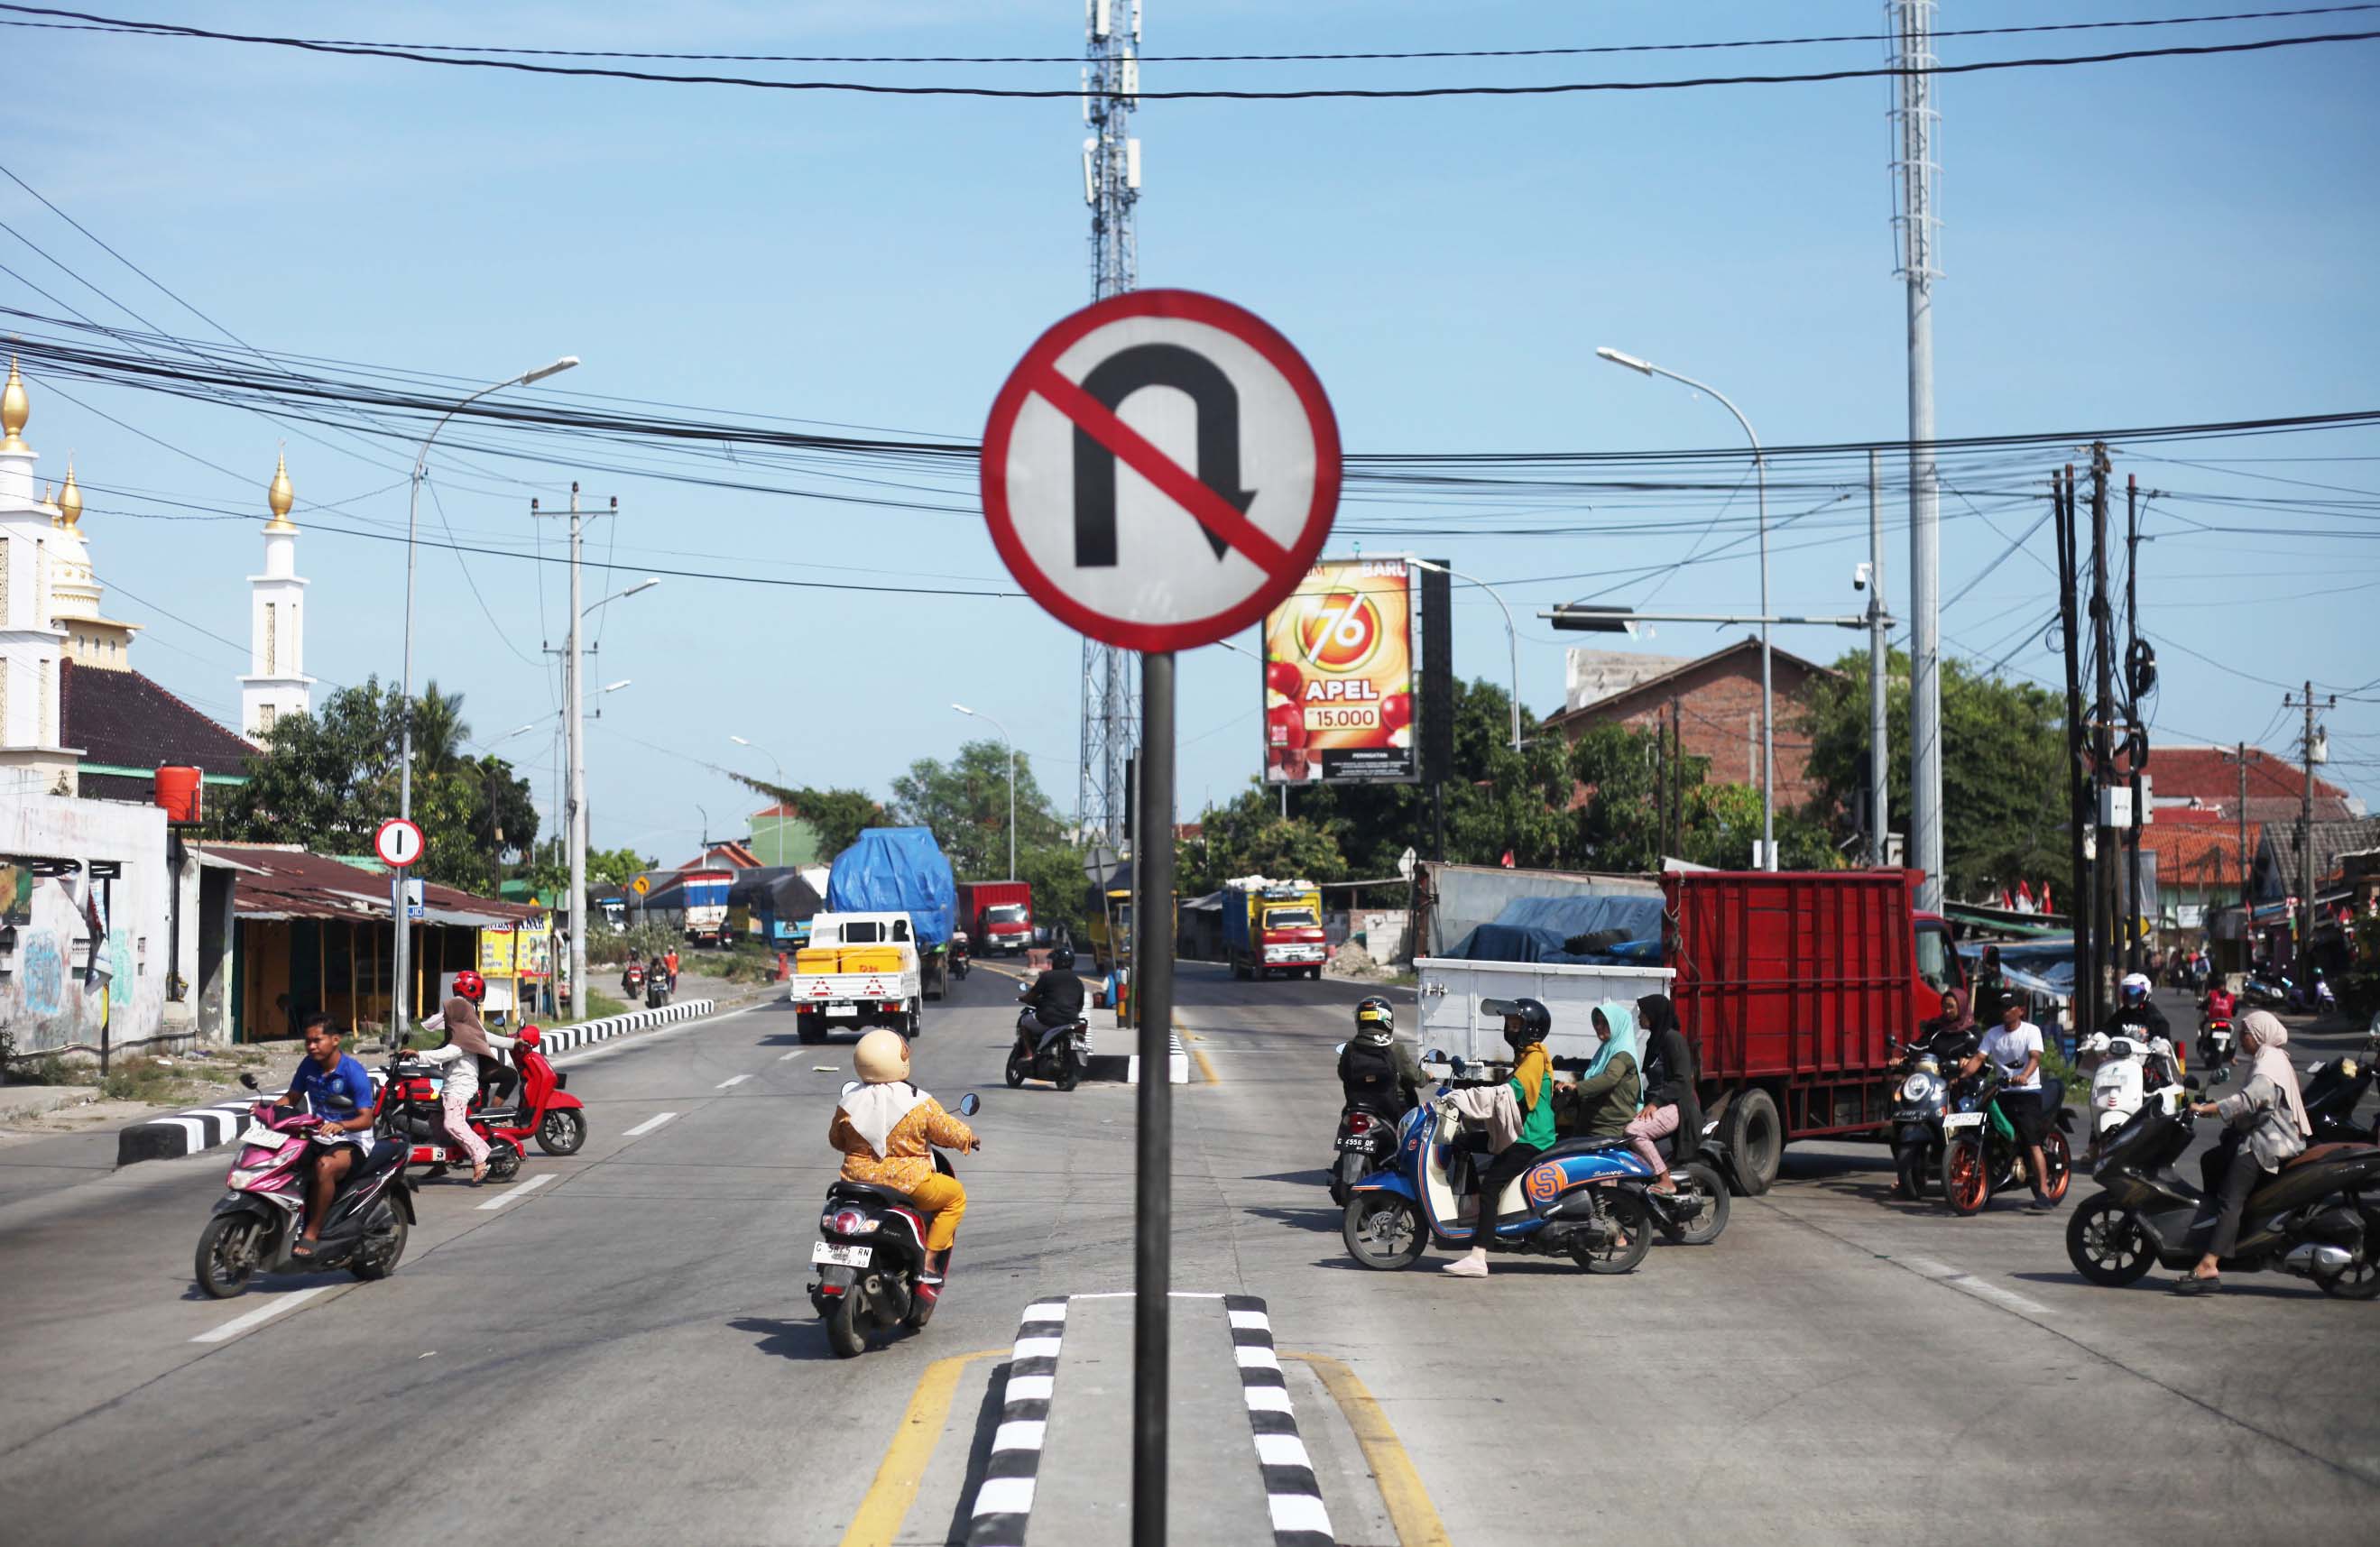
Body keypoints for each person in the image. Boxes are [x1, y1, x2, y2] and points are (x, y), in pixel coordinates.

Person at [828, 1028, 979, 1296]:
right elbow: (949, 1131)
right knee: (955, 1198)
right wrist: (969, 1138)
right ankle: (929, 1262)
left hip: (856, 1185)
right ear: (899, 1059)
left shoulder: (848, 1102)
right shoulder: (918, 1102)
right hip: (910, 1186)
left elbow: (837, 1140)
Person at [2174, 1009, 2310, 1294]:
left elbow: (2250, 1100)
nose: (2241, 1039)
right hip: (2266, 1135)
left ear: (2259, 1035)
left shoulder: (2268, 1063)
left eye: (2245, 1033)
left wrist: (2207, 1109)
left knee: (2230, 1198)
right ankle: (2219, 1235)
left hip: (2266, 1143)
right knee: (2212, 1160)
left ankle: (2210, 1263)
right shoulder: (2272, 1057)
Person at [1441, 996, 1559, 1279]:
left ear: (1530, 1028)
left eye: (1515, 1023)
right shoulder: (1526, 1056)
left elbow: (1510, 1094)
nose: (1510, 1028)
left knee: (1492, 1185)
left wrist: (1467, 1099)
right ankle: (1470, 1209)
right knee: (1463, 1142)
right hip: (1520, 1132)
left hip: (1530, 1138)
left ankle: (1479, 1256)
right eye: (1508, 1023)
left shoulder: (1533, 1058)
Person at [282, 1014, 376, 1258]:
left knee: (325, 1166)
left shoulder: (353, 1072)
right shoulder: (308, 1065)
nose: (311, 1046)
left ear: (335, 1040)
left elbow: (367, 1118)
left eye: (317, 1040)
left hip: (353, 1140)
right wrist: (267, 1109)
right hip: (317, 1134)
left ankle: (313, 1231)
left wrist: (341, 1126)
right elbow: (291, 1098)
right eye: (308, 1041)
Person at [1959, 999, 2059, 1212]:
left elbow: (2034, 1058)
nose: (2004, 1012)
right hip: (2002, 1092)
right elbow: (1978, 1058)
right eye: (2002, 1008)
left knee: (2032, 1142)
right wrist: (1961, 1076)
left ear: (2020, 1011)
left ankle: (2043, 1192)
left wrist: (2024, 1076)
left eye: (2009, 1008)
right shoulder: (1993, 1034)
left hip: (2027, 1093)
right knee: (1986, 1131)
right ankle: (1987, 1184)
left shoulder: (2031, 1031)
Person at [412, 994, 515, 1184]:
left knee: (452, 1124)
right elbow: (441, 1050)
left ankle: (480, 1157)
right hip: (450, 1087)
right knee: (435, 1119)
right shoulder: (457, 1034)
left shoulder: (464, 1038)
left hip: (460, 1089)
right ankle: (440, 1162)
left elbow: (446, 1053)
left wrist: (419, 1055)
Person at [1628, 993, 1699, 1196]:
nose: (1640, 1017)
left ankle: (1665, 1179)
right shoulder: (1655, 1041)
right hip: (1660, 1104)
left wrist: (1655, 1104)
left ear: (1655, 1015)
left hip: (1677, 1106)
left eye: (1643, 1013)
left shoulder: (1672, 1039)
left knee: (1634, 1132)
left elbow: (1681, 1080)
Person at [1554, 1000, 1642, 1143]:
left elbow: (1610, 1078)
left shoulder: (1622, 1053)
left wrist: (1577, 1086)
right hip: (1591, 1123)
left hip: (1608, 1128)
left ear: (1617, 1025)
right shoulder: (1607, 1050)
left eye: (1605, 1023)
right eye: (1597, 1022)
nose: (1599, 1027)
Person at [1338, 996, 1424, 1118]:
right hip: (1391, 1110)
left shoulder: (1350, 1048)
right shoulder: (1394, 1048)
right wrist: (1427, 1076)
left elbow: (1343, 1074)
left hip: (1356, 1107)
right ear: (1388, 1020)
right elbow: (1414, 1077)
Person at [1020, 946, 1086, 1053]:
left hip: (1047, 1019)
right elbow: (1079, 1006)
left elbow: (1031, 996)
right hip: (1070, 1020)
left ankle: (1029, 1054)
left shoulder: (1047, 976)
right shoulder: (1078, 981)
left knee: (1024, 1022)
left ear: (1057, 962)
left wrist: (1023, 998)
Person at [2109, 972, 2172, 1045]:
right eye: (2126, 991)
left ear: (2146, 992)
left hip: (2147, 1054)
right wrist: (2100, 1036)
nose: (2130, 995)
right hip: (2123, 1053)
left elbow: (2162, 1028)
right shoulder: (2122, 1013)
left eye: (2133, 991)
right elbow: (2108, 1028)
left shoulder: (2150, 1012)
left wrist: (2162, 1042)